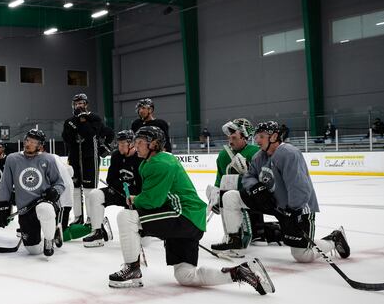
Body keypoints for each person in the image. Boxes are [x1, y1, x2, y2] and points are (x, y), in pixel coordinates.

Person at [108, 126, 275, 295]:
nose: (136, 146)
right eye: (135, 142)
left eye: (140, 142)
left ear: (155, 144)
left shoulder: (160, 163)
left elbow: (152, 201)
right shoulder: (152, 161)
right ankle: (240, 272)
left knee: (126, 216)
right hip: (191, 219)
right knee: (185, 276)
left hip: (183, 215)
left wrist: (135, 200)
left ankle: (132, 269)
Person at [216, 121, 351, 263]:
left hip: (298, 209)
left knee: (302, 255)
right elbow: (249, 177)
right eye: (256, 136)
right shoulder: (259, 156)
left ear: (274, 137)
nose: (257, 140)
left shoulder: (289, 153)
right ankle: (235, 240)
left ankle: (334, 239)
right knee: (230, 197)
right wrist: (256, 188)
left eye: (261, 136)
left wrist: (292, 210)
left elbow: (300, 187)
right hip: (273, 203)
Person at [207, 118, 280, 252]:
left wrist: (247, 173)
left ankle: (260, 231)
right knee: (227, 190)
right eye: (229, 137)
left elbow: (267, 179)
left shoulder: (256, 153)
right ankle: (233, 234)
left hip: (254, 198)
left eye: (234, 137)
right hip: (233, 199)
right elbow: (219, 180)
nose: (230, 141)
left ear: (245, 137)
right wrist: (215, 198)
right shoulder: (223, 156)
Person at [0, 129, 64, 257]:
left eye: (33, 142)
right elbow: (5, 185)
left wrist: (54, 191)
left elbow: (60, 183)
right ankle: (52, 232)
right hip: (25, 209)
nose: (28, 144)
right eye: (27, 140)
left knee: (44, 209)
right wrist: (2, 206)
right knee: (34, 250)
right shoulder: (12, 159)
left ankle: (49, 239)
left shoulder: (48, 159)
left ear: (40, 145)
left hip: (44, 203)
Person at [83, 130, 141, 248]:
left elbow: (142, 186)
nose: (119, 147)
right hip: (120, 193)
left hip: (137, 197)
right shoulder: (116, 156)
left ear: (131, 144)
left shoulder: (140, 158)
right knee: (95, 194)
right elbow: (110, 179)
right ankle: (98, 232)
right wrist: (124, 189)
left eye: (122, 144)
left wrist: (132, 194)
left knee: (143, 241)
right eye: (118, 144)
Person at [61, 93, 103, 225]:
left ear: (86, 104)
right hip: (74, 157)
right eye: (76, 103)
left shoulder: (95, 118)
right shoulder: (69, 121)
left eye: (81, 103)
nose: (78, 106)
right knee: (75, 189)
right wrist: (76, 124)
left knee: (89, 190)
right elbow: (67, 138)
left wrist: (83, 120)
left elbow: (89, 134)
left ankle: (91, 218)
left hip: (90, 158)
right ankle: (78, 217)